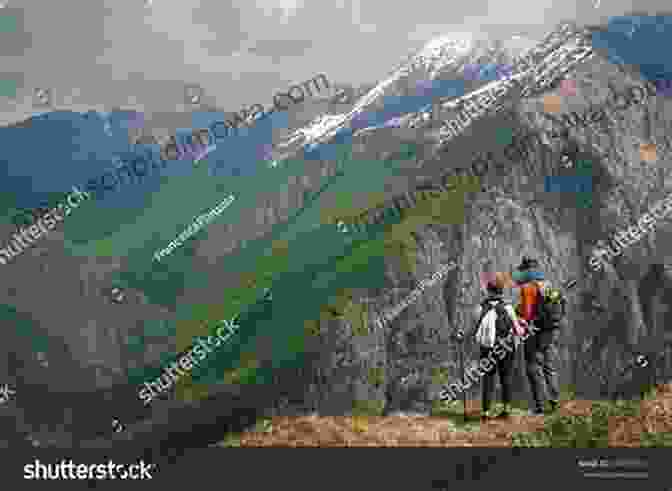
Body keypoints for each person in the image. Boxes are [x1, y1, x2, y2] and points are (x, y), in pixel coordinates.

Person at [469, 273, 525, 420]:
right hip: (506, 349)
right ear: (502, 291)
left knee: (488, 378)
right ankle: (506, 410)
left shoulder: (479, 308)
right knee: (506, 378)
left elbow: (473, 329)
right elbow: (518, 331)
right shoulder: (508, 308)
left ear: (488, 291)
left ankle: (486, 413)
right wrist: (521, 327)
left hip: (487, 349)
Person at [514, 256, 561, 415]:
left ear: (527, 271)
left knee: (533, 367)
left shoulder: (527, 288)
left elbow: (527, 314)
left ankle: (539, 407)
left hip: (535, 332)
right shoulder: (548, 285)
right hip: (551, 331)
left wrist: (519, 319)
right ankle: (554, 402)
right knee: (549, 367)